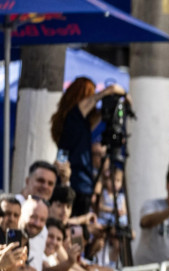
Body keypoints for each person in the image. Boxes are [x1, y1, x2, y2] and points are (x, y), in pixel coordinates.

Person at [50, 77, 129, 216]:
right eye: (90, 93)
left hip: (79, 182)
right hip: (77, 182)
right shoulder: (74, 115)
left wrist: (116, 105)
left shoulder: (78, 122)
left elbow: (96, 118)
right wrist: (108, 92)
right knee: (75, 227)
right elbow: (90, 102)